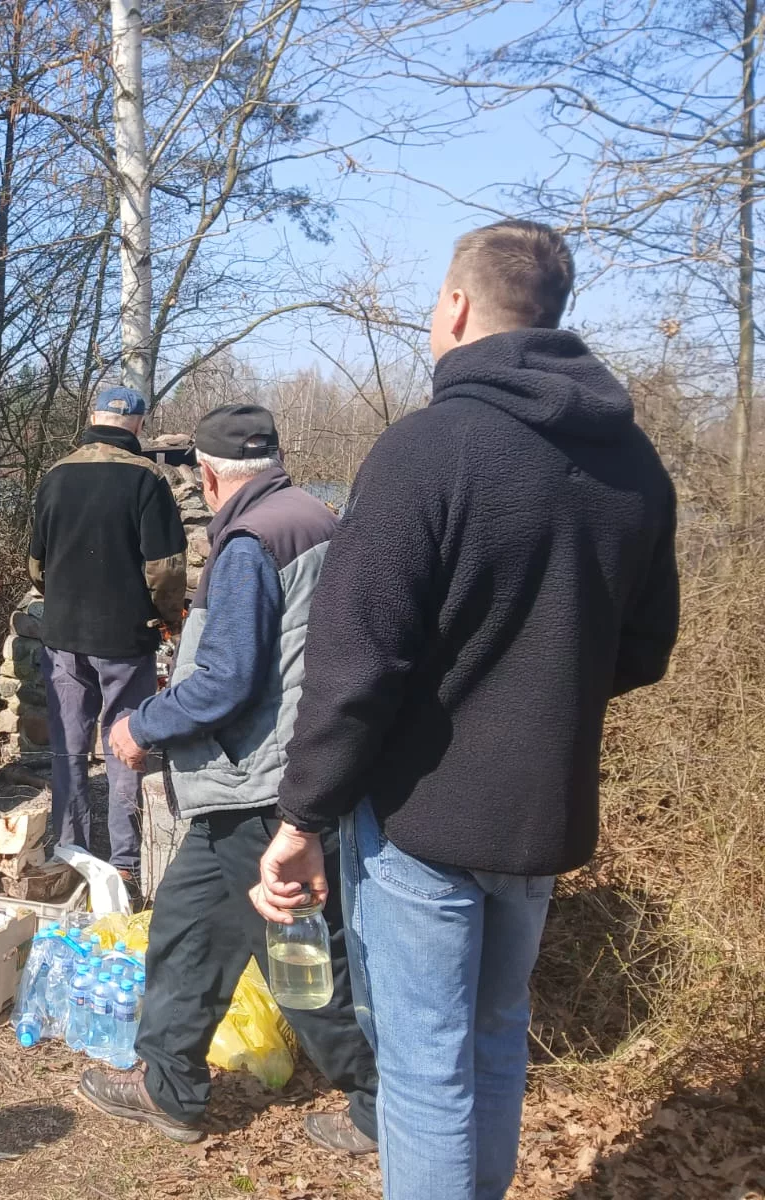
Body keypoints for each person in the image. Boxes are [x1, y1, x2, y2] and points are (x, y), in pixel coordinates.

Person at [252, 221, 680, 1200]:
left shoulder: (427, 450)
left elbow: (356, 666)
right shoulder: (634, 469)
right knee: (491, 1044)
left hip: (420, 821)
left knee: (425, 1067)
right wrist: (541, 694)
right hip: (541, 817)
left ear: (454, 306)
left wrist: (300, 817)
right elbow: (644, 649)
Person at [77, 405, 378, 1154]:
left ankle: (382, 1103)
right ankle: (168, 1084)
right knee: (188, 928)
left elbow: (226, 680)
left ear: (208, 477)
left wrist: (139, 726)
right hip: (283, 772)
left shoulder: (248, 542)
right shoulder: (315, 516)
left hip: (259, 784)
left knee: (301, 958)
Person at [28, 385, 186, 885]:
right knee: (124, 744)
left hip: (62, 633)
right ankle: (123, 861)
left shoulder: (54, 475)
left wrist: (59, 598)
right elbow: (164, 567)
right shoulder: (146, 478)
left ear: (93, 417)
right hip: (123, 635)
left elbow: (36, 564)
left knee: (68, 745)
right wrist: (168, 617)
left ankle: (70, 848)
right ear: (138, 424)